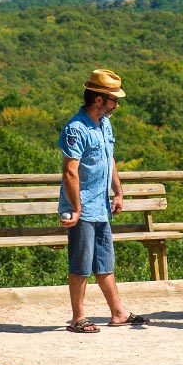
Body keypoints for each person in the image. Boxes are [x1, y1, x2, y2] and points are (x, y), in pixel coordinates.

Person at [58, 68, 149, 334]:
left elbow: (109, 160)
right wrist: (75, 208)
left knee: (105, 262)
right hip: (83, 208)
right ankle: (78, 318)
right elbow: (70, 171)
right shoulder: (75, 129)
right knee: (81, 263)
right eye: (113, 100)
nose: (117, 105)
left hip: (101, 206)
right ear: (98, 99)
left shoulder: (105, 124)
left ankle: (118, 312)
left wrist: (118, 192)